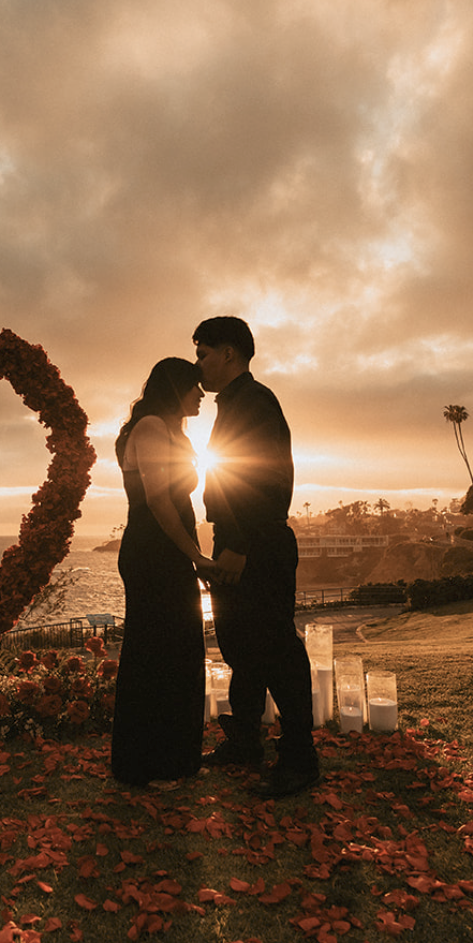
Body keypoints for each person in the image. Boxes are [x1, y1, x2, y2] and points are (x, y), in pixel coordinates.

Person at [193, 315, 320, 798]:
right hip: (236, 539)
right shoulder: (233, 405)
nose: (198, 363)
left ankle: (300, 756)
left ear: (229, 354)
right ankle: (246, 739)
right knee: (240, 646)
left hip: (256, 544)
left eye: (204, 352)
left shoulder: (255, 401)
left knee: (275, 648)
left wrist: (240, 545)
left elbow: (265, 478)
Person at [110, 358, 218, 786]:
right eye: (194, 386)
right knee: (159, 653)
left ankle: (172, 755)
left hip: (166, 550)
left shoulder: (171, 430)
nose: (202, 393)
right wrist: (196, 555)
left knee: (178, 650)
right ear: (175, 388)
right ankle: (151, 764)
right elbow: (158, 501)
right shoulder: (153, 427)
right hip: (152, 552)